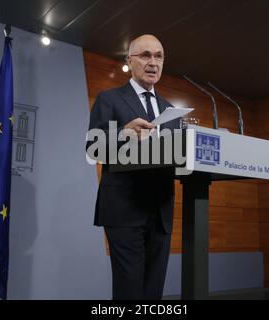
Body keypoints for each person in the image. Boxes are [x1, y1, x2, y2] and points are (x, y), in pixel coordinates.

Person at [86, 34, 180, 300]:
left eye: (159, 56)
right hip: (124, 209)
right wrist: (123, 133)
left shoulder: (170, 109)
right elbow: (93, 149)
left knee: (153, 293)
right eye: (145, 55)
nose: (153, 62)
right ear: (129, 61)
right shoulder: (109, 99)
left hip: (160, 210)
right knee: (129, 292)